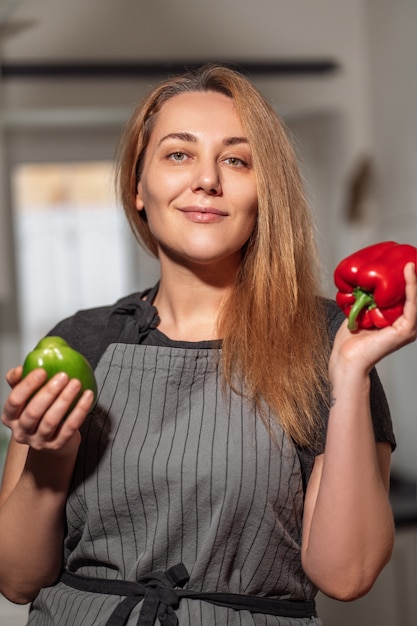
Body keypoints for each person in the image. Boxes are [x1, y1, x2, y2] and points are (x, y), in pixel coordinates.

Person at [0, 64, 416, 626]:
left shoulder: (330, 341)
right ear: (138, 188)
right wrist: (49, 459)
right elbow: (17, 580)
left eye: (237, 159)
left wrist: (349, 374)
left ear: (263, 193)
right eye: (178, 154)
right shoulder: (81, 340)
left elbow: (347, 575)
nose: (207, 180)